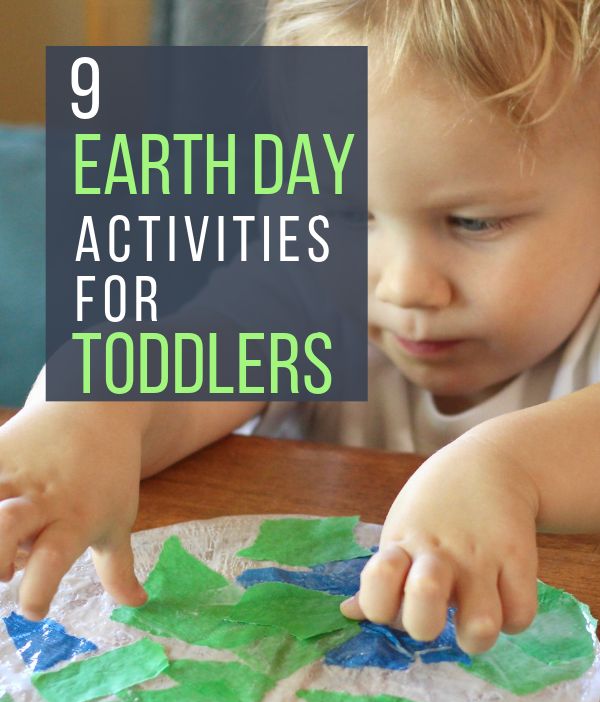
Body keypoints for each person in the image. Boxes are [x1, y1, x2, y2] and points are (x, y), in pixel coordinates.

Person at [1, 0, 599, 657]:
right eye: (348, 213)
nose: (402, 287)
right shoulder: (308, 296)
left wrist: (510, 469)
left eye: (474, 223)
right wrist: (86, 410)